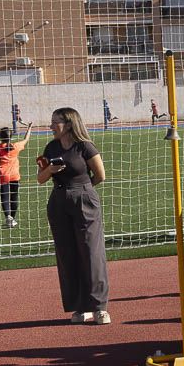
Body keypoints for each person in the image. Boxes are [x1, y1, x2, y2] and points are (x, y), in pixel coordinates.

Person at [36, 108, 111, 324]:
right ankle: (79, 307)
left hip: (84, 199)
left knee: (91, 252)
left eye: (55, 122)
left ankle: (99, 307)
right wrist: (50, 170)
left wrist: (82, 191)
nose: (51, 126)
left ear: (68, 124)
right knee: (67, 254)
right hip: (59, 202)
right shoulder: (50, 147)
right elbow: (40, 178)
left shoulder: (85, 146)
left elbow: (100, 176)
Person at [0, 124, 33, 227]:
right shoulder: (16, 146)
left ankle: (8, 217)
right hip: (15, 176)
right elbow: (26, 139)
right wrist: (29, 128)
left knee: (4, 197)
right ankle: (13, 219)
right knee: (14, 197)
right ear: (10, 137)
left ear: (0, 137)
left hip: (2, 177)